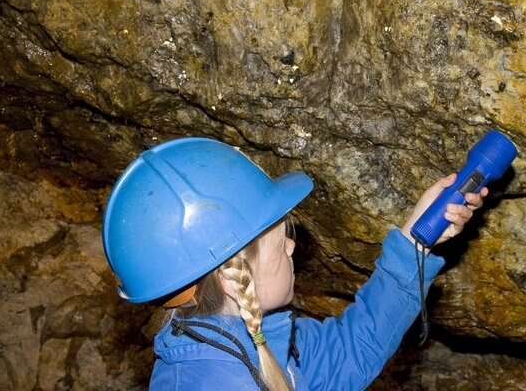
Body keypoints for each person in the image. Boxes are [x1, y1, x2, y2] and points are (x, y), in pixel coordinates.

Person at [102, 137, 488, 391]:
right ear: (235, 281)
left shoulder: (258, 341)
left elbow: (350, 350)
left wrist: (415, 241)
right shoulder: (212, 381)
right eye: (278, 243)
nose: (291, 247)